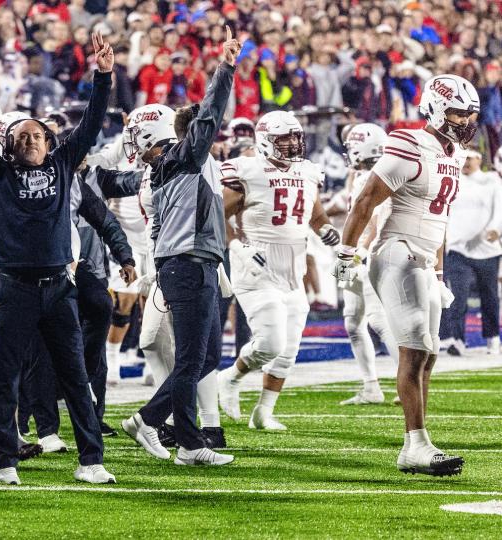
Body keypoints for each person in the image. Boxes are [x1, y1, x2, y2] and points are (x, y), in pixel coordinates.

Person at [0, 31, 115, 485]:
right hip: (15, 288)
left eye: (37, 134)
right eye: (21, 136)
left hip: (59, 288)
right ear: (8, 146)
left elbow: (93, 122)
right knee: (4, 378)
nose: (30, 140)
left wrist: (103, 75)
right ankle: (5, 463)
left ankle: (91, 461)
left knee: (76, 377)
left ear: (49, 141)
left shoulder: (65, 164)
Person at [333, 75, 480, 477]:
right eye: (456, 111)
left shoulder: (451, 154)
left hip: (424, 258)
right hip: (397, 251)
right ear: (434, 108)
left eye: (469, 112)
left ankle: (417, 443)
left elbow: (441, 220)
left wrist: (439, 270)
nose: (465, 119)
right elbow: (366, 199)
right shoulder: (409, 144)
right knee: (414, 349)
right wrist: (346, 252)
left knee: (428, 353)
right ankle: (415, 444)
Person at [120, 26, 240, 468]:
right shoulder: (179, 160)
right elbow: (208, 116)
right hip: (187, 264)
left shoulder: (168, 167)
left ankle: (189, 444)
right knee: (194, 358)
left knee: (200, 357)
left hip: (190, 262)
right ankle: (147, 419)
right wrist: (225, 67)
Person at [215, 111, 340, 431]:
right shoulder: (248, 170)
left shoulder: (308, 171)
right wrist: (237, 245)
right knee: (270, 342)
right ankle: (231, 377)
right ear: (266, 141)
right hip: (257, 267)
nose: (294, 144)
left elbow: (314, 213)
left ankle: (264, 412)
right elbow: (215, 214)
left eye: (296, 138)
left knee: (287, 350)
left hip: (293, 269)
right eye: (286, 139)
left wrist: (326, 231)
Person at [337, 123, 401, 406]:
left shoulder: (379, 175)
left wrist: (358, 251)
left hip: (367, 254)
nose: (349, 151)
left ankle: (409, 383)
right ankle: (371, 386)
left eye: (352, 146)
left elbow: (376, 220)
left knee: (378, 319)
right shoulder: (360, 175)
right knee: (353, 321)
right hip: (352, 253)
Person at [441, 149, 502, 356]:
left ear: (479, 158)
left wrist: (496, 228)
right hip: (458, 249)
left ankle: (492, 338)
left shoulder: (491, 180)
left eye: (469, 158)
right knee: (457, 296)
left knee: (490, 296)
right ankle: (457, 339)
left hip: (487, 249)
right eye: (462, 158)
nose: (465, 162)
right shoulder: (452, 181)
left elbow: (499, 208)